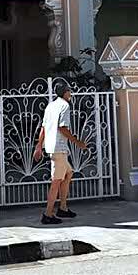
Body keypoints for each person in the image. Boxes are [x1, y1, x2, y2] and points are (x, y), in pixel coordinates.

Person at [32, 80, 87, 224]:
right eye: (69, 91)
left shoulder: (51, 106)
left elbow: (43, 128)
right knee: (56, 181)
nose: (70, 93)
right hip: (59, 148)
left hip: (53, 147)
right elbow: (62, 128)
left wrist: (39, 146)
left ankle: (62, 208)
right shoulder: (64, 106)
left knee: (68, 173)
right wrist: (78, 142)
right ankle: (48, 214)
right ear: (65, 93)